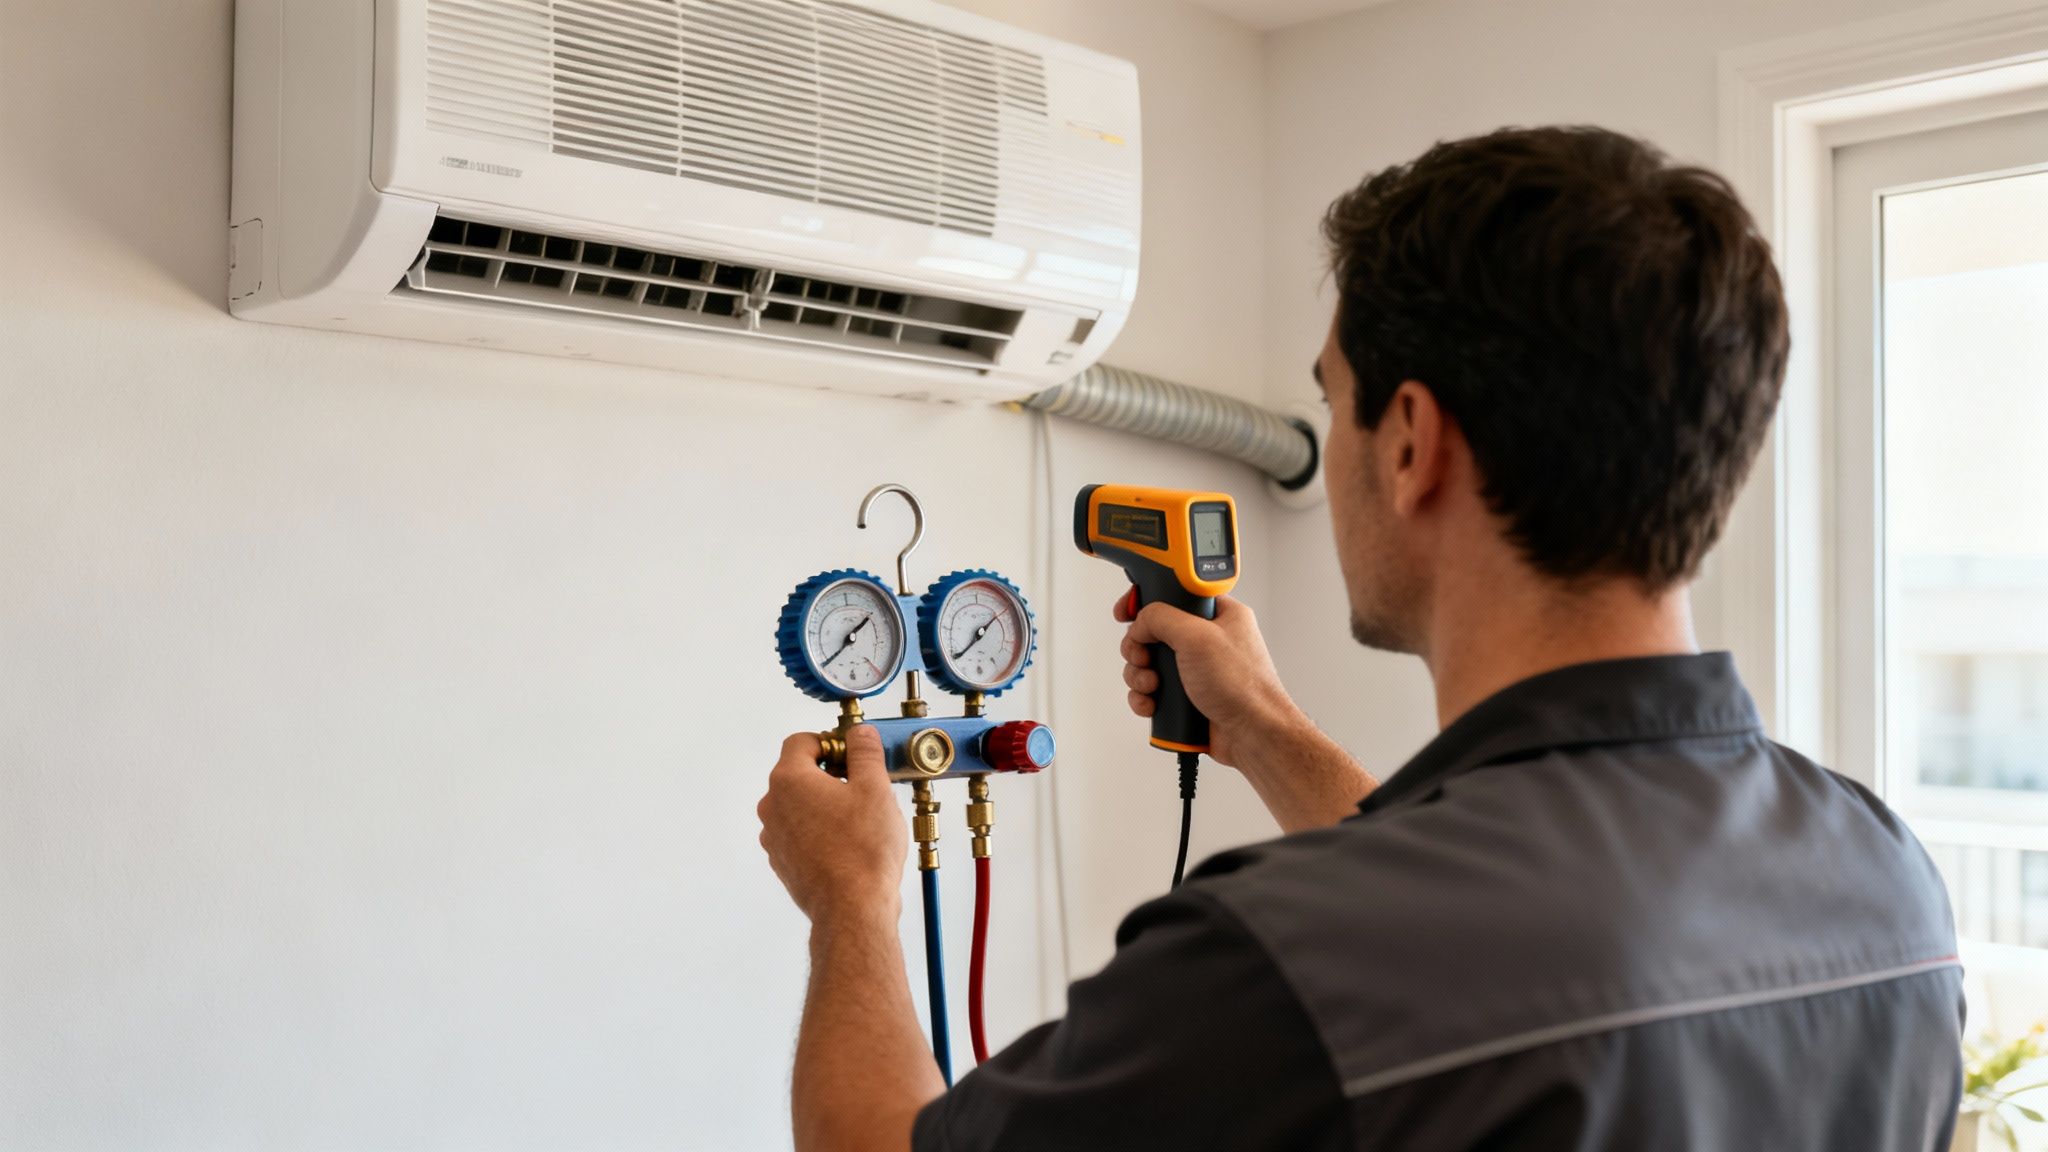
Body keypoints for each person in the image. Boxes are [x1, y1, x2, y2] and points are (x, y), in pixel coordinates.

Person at [755, 125, 1962, 1150]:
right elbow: (1493, 925)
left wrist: (848, 896)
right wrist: (1268, 731)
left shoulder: (1272, 955)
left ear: (1409, 442)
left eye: (1331, 402)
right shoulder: (1884, 879)